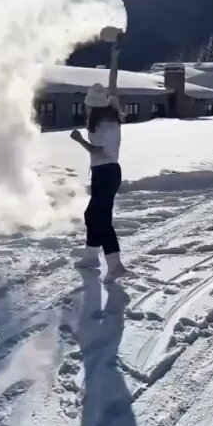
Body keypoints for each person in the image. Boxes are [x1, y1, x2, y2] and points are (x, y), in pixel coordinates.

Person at [69, 41, 128, 284]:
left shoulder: (104, 124)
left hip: (106, 173)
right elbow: (113, 85)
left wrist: (79, 140)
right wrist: (114, 58)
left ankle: (115, 265)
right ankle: (91, 256)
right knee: (92, 214)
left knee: (100, 218)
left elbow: (99, 152)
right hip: (106, 173)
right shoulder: (112, 110)